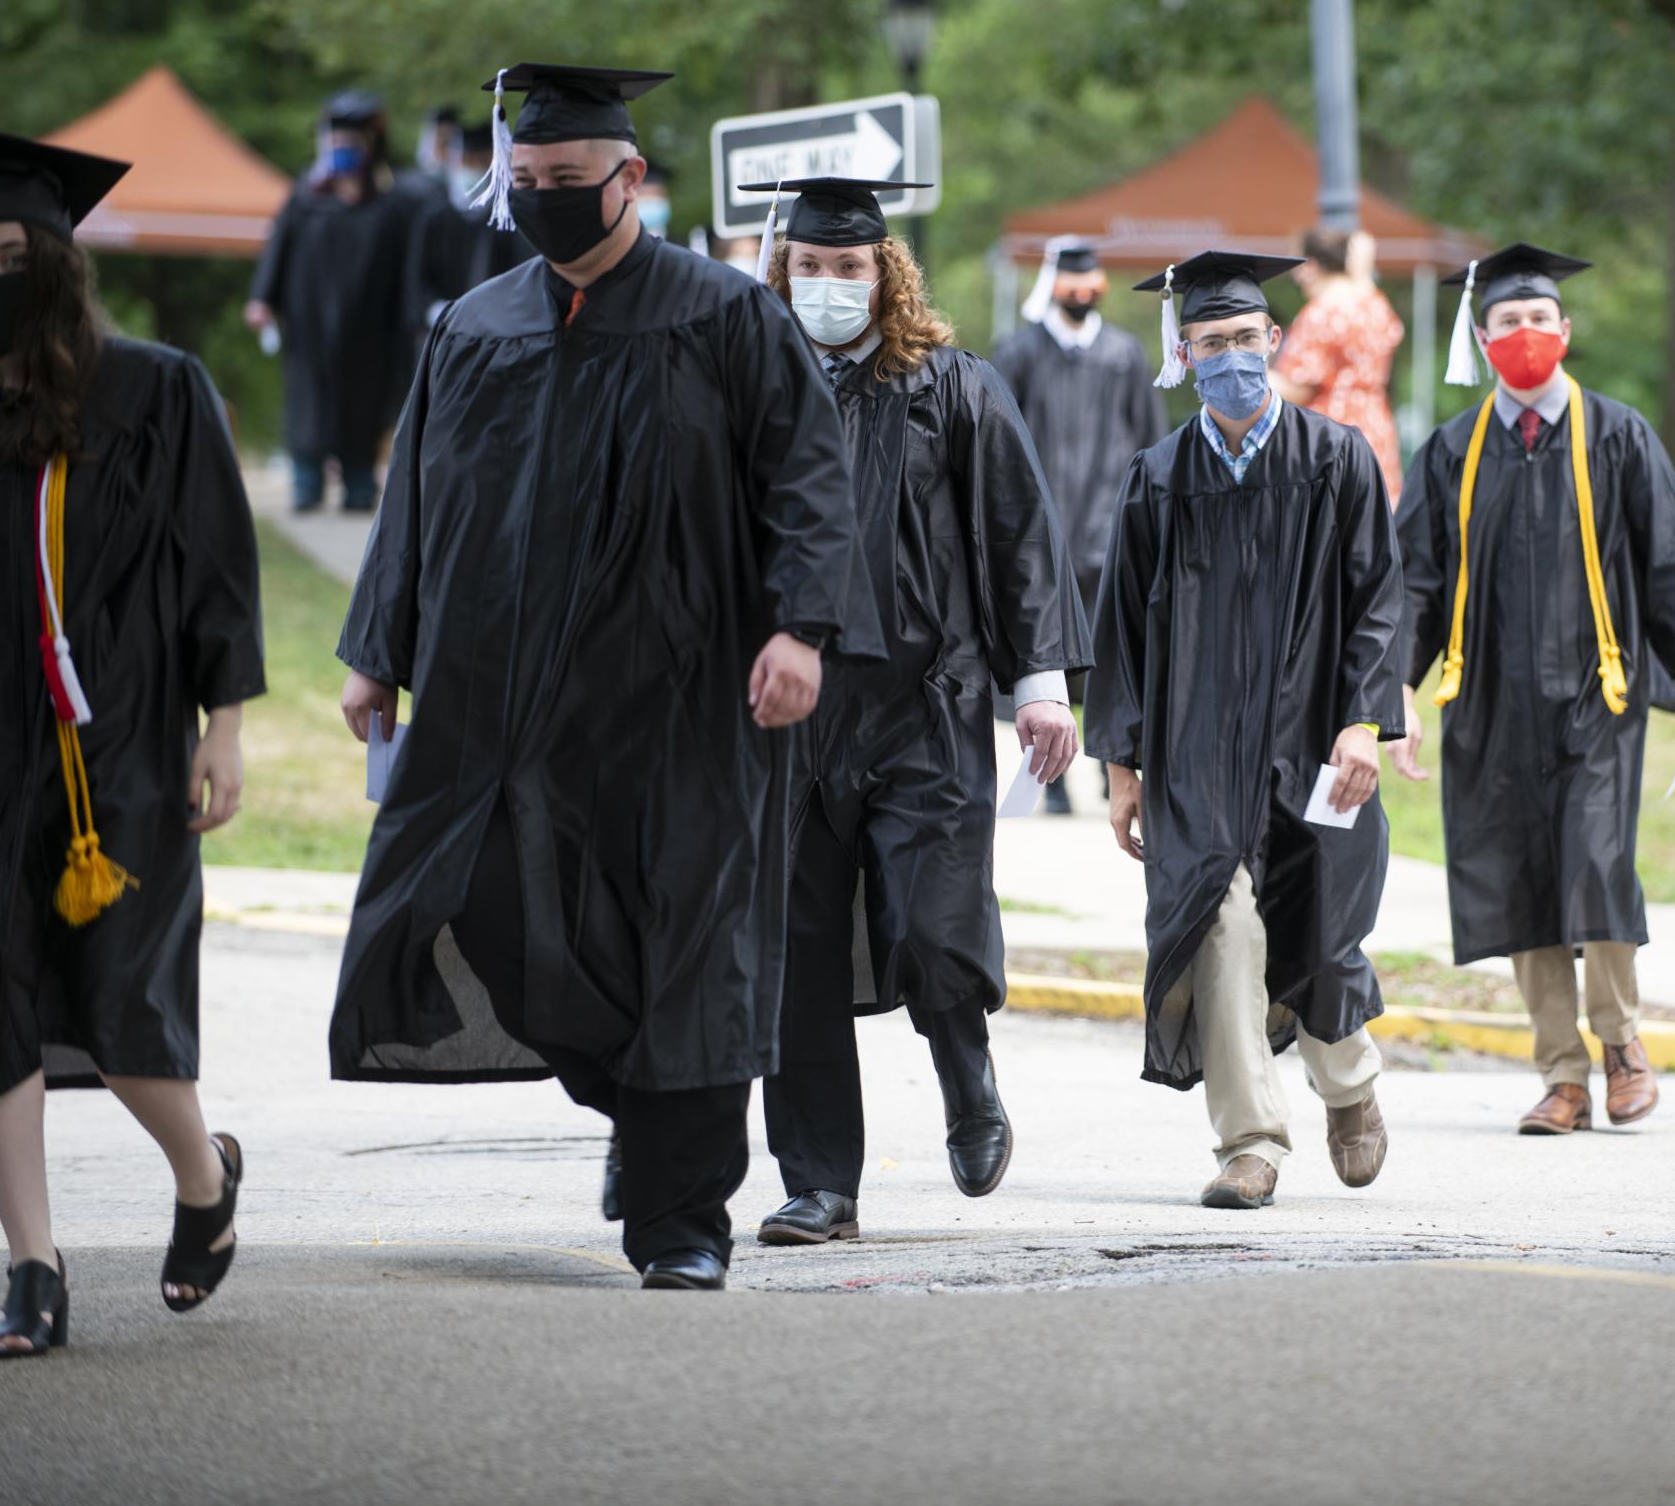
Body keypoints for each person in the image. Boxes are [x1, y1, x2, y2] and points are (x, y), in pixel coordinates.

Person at [330, 64, 868, 1290]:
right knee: (489, 905)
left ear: (629, 178)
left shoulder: (724, 313)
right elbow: (416, 496)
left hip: (686, 699)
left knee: (691, 938)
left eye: (567, 182)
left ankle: (681, 1221)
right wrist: (378, 648)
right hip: (513, 702)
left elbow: (808, 477)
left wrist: (802, 629)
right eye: (524, 184)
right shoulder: (476, 327)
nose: (542, 201)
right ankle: (636, 1094)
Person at [0, 127, 264, 1356]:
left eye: (5, 255)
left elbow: (216, 565)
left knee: (121, 1007)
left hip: (114, 756)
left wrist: (227, 726)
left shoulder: (154, 390)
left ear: (56, 261)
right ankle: (32, 1270)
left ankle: (202, 1176)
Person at [748, 178, 1086, 1247]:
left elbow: (1019, 535)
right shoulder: (749, 388)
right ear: (783, 272)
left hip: (923, 703)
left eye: (848, 268)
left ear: (883, 274)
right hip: (789, 720)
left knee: (936, 927)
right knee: (795, 955)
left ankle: (964, 1070)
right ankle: (819, 1184)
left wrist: (1037, 684)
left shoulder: (953, 386)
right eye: (810, 267)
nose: (829, 285)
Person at [1088, 250, 1408, 1209]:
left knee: (1319, 927)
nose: (1230, 357)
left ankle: (1348, 1087)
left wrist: (1362, 721)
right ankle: (1251, 1141)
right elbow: (1121, 630)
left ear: (1275, 341)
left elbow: (1378, 602)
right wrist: (1122, 764)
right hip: (1193, 754)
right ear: (1182, 354)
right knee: (1216, 925)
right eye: (1210, 342)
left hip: (1314, 741)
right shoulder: (1157, 477)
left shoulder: (1336, 457)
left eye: (1244, 339)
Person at [1393, 244, 1675, 1133]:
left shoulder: (1617, 434)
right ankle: (1563, 1074)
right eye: (1508, 322)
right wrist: (1393, 691)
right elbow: (1417, 584)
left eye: (1541, 319)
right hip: (1490, 701)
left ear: (1566, 330)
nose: (1527, 334)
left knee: (1594, 862)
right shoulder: (1453, 450)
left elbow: (1672, 565)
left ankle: (1621, 1043)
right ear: (1481, 336)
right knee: (1518, 881)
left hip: (1599, 695)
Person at [988, 236, 1165, 814]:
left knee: (1109, 658)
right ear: (1055, 285)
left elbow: (1149, 441)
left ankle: (1108, 769)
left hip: (1108, 531)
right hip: (1039, 533)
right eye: (1073, 282)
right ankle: (1055, 781)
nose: (1083, 292)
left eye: (1092, 281)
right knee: (1047, 659)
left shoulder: (1125, 354)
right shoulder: (1018, 354)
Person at [245, 89, 421, 514]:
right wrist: (261, 299)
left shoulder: (391, 205)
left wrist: (411, 319)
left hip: (370, 328)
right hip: (309, 324)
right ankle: (306, 486)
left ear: (370, 147)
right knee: (309, 404)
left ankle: (360, 487)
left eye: (352, 145)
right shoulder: (305, 198)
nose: (344, 152)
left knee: (363, 406)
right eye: (338, 144)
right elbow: (277, 250)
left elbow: (407, 271)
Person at [1277, 225, 1405, 503]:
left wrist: (1253, 373)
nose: (1296, 276)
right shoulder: (1373, 303)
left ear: (1311, 265)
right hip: (1376, 424)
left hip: (1332, 430)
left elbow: (1299, 387)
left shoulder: (1321, 312)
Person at [403, 118, 534, 336]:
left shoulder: (507, 219)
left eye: (480, 161)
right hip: (442, 331)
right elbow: (416, 283)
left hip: (498, 333)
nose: (472, 169)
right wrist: (438, 311)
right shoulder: (434, 217)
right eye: (466, 161)